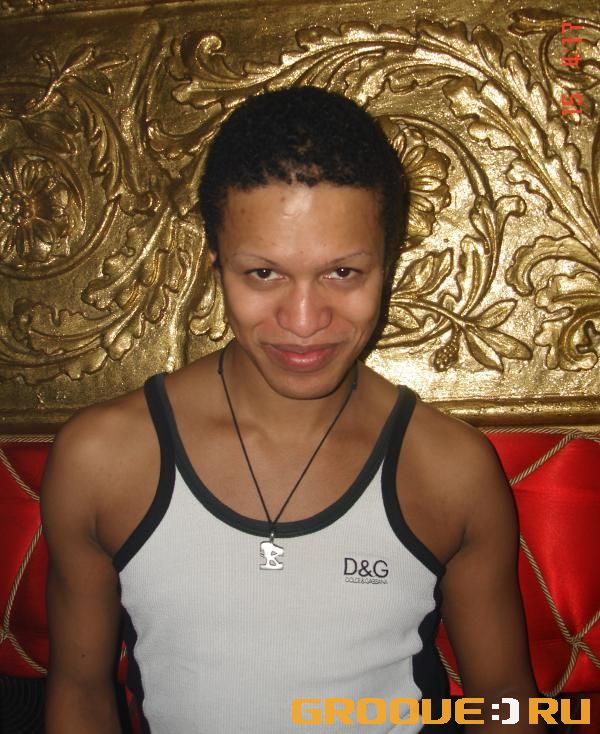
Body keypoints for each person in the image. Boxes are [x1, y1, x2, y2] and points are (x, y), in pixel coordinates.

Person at [42, 86, 544, 733]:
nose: (304, 321)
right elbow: (80, 692)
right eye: (263, 273)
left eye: (343, 273)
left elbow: (504, 698)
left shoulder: (451, 470)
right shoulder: (103, 460)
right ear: (215, 261)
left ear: (388, 262)